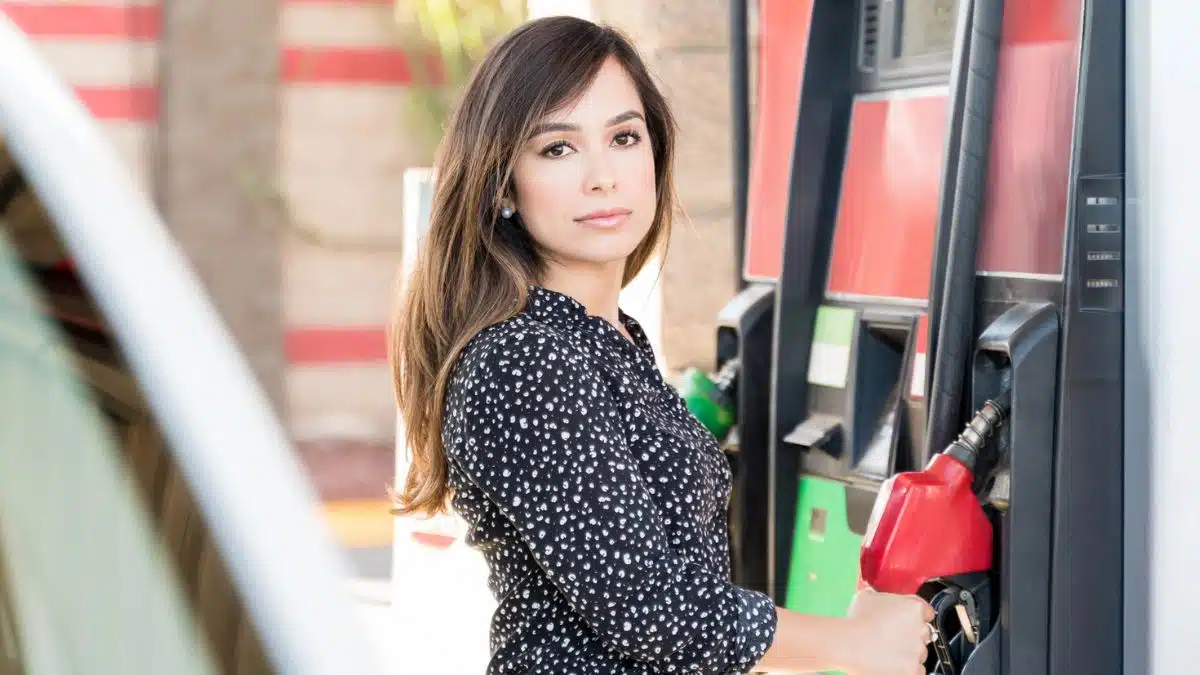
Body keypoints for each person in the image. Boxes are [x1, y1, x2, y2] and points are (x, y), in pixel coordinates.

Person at [389, 15, 935, 675]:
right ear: (504, 184)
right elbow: (649, 605)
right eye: (557, 148)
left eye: (623, 137)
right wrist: (850, 642)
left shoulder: (607, 338)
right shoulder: (523, 358)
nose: (602, 176)